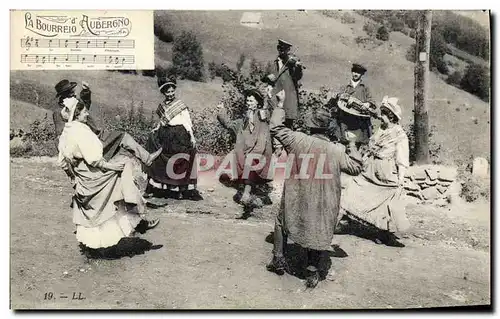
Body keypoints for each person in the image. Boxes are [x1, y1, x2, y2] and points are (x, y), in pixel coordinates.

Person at [266, 92, 363, 288]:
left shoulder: (297, 140)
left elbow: (275, 126)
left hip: (297, 197)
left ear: (310, 125)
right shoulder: (336, 150)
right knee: (318, 227)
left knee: (281, 220)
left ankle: (278, 259)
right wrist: (352, 143)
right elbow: (356, 167)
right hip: (323, 202)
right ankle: (312, 270)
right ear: (327, 129)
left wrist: (280, 103)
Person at [57, 98, 161, 259]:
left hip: (83, 176)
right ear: (77, 114)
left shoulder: (67, 131)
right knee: (124, 172)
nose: (87, 113)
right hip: (93, 174)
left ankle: (96, 245)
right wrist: (114, 167)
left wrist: (74, 178)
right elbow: (95, 160)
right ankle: (137, 219)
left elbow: (63, 162)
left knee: (96, 209)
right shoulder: (81, 132)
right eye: (84, 111)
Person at [339, 96, 411, 246]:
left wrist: (401, 179)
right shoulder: (381, 129)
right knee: (355, 187)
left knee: (387, 200)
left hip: (385, 171)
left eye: (384, 114)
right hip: (370, 168)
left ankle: (384, 233)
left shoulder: (399, 135)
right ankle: (344, 219)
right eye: (382, 113)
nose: (381, 117)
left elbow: (402, 158)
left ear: (391, 117)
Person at [144, 76, 201, 201]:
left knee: (180, 159)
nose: (170, 94)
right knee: (157, 155)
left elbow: (187, 122)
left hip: (179, 134)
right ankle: (153, 185)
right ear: (163, 93)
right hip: (166, 133)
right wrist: (156, 128)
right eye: (167, 92)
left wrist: (192, 136)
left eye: (172, 91)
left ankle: (181, 188)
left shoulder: (180, 105)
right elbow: (162, 121)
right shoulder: (162, 106)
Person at [216, 88, 273, 211]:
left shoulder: (261, 114)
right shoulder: (243, 121)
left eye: (251, 101)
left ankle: (247, 194)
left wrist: (268, 98)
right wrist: (221, 110)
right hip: (248, 150)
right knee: (239, 161)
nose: (248, 103)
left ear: (257, 102)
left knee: (250, 162)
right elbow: (229, 125)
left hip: (261, 149)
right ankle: (249, 195)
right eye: (247, 101)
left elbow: (267, 114)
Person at [329, 63, 377, 148]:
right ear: (352, 72)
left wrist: (367, 103)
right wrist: (343, 97)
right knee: (344, 141)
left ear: (362, 74)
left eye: (358, 72)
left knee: (359, 142)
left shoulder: (365, 88)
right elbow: (339, 97)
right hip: (346, 118)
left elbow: (372, 101)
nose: (355, 74)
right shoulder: (345, 86)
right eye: (354, 71)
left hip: (358, 120)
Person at [269, 39, 303, 129]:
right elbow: (270, 77)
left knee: (287, 127)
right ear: (278, 48)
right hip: (276, 99)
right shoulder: (275, 62)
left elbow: (297, 76)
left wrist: (298, 67)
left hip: (288, 100)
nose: (282, 51)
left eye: (285, 49)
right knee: (274, 124)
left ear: (288, 50)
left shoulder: (292, 63)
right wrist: (269, 78)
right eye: (280, 48)